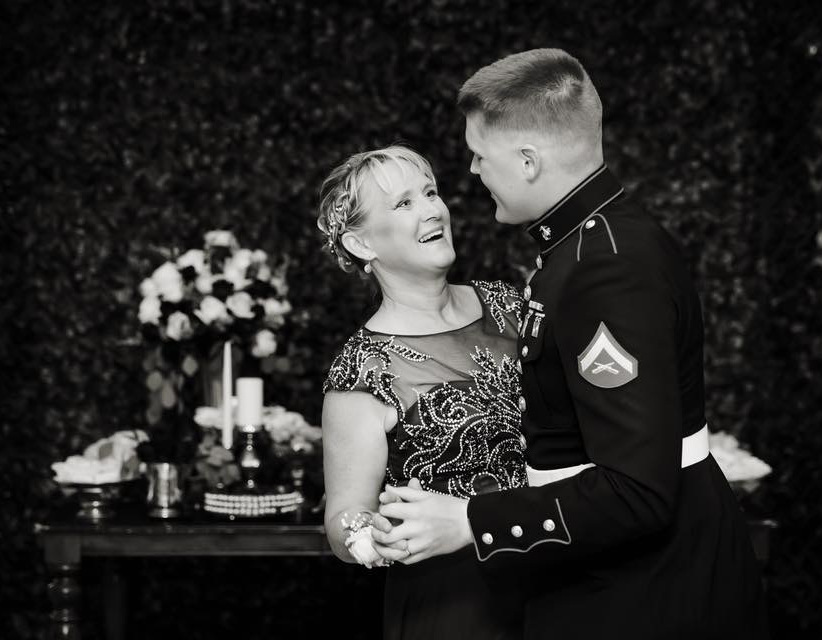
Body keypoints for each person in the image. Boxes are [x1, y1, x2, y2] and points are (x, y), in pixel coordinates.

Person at [373, 49, 769, 639]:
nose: (474, 172)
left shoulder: (602, 267)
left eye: (481, 156)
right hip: (620, 568)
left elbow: (637, 490)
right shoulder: (600, 239)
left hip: (644, 590)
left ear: (528, 161)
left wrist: (471, 520)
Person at [317, 145, 527, 640]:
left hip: (561, 579)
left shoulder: (512, 304)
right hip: (457, 607)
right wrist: (371, 536)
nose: (432, 209)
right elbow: (344, 520)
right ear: (361, 243)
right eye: (403, 204)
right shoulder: (362, 370)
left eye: (430, 193)